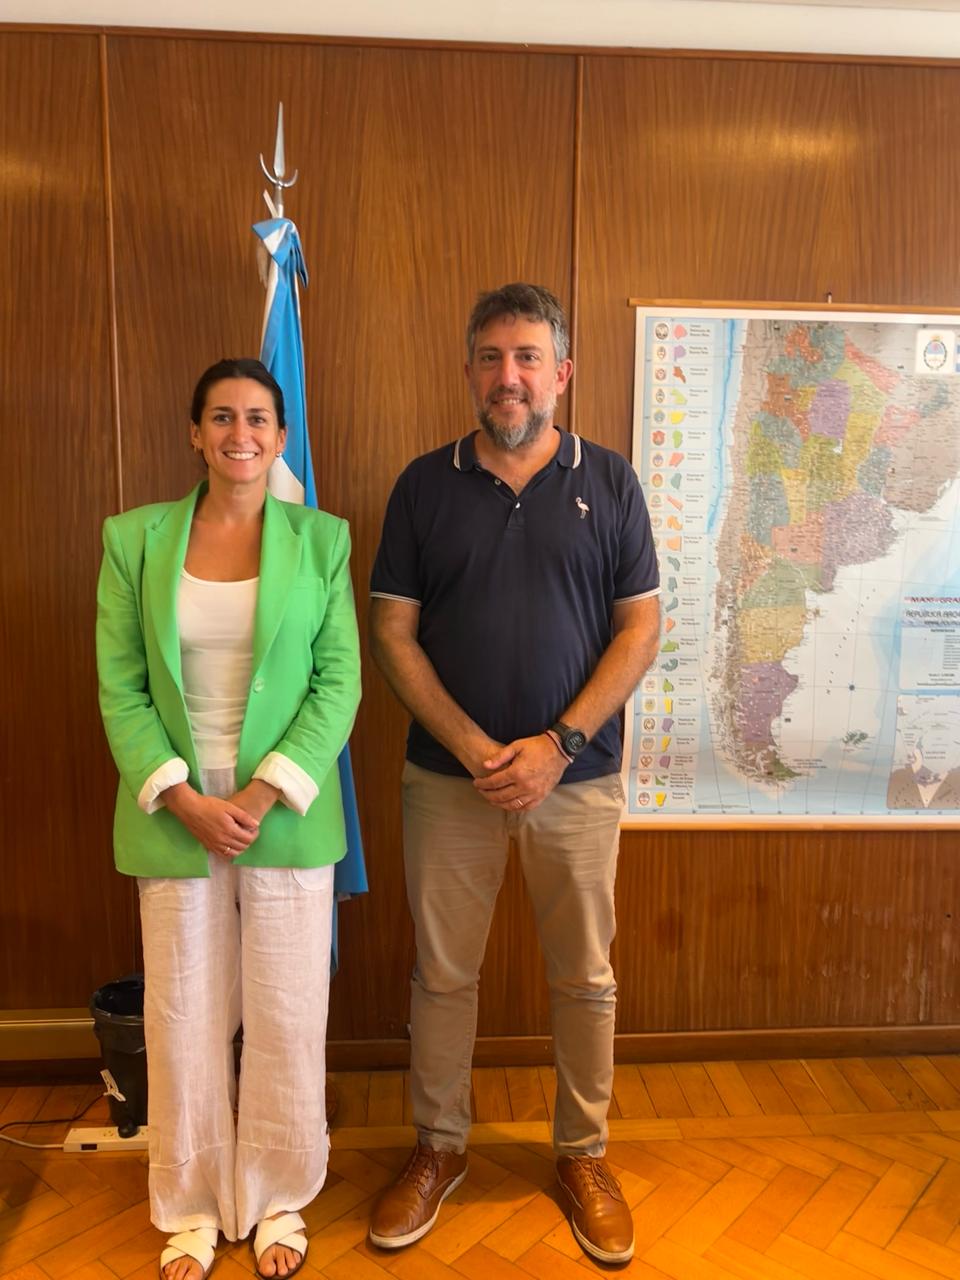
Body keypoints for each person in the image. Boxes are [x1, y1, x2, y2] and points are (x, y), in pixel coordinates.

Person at [367, 283, 660, 1264]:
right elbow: (393, 631)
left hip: (576, 780)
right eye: (492, 357)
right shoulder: (423, 485)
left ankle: (583, 1154)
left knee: (585, 978)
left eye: (528, 356)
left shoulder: (610, 481)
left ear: (561, 373)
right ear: (469, 372)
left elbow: (640, 629)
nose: (510, 376)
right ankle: (437, 1145)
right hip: (448, 782)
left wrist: (558, 744)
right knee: (442, 975)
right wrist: (470, 746)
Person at [96, 358, 361, 1280]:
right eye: (220, 416)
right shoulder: (133, 540)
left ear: (280, 437)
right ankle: (193, 1205)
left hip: (279, 808)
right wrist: (183, 795)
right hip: (174, 809)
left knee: (287, 1010)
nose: (239, 433)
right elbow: (121, 685)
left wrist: (257, 794)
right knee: (184, 1014)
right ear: (195, 433)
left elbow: (338, 683)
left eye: (256, 418)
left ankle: (280, 1198)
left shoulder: (323, 540)